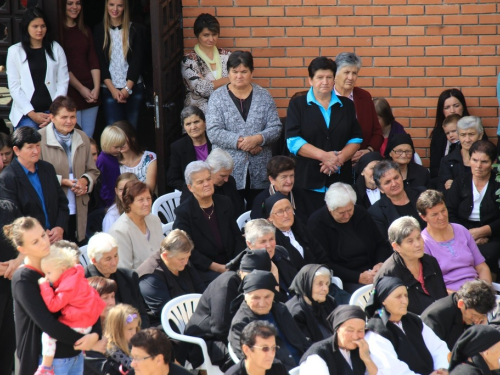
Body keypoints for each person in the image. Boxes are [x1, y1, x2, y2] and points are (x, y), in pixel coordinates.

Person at [5, 217, 99, 375]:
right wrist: (85, 340)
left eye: (43, 235)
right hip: (45, 362)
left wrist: (95, 334)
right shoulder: (23, 279)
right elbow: (48, 324)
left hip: (75, 355)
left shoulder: (59, 260)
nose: (43, 242)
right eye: (35, 242)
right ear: (23, 249)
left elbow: (87, 297)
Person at [206, 50, 282, 209]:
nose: (239, 76)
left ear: (252, 73)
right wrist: (243, 143)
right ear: (228, 73)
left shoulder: (264, 96)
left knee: (259, 213)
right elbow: (214, 131)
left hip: (260, 168)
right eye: (234, 72)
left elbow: (275, 127)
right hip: (227, 172)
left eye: (244, 72)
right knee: (230, 214)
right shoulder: (217, 97)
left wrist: (258, 139)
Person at [285, 56, 363, 211]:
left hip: (340, 179)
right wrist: (324, 157)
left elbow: (356, 138)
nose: (325, 82)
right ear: (310, 80)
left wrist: (338, 160)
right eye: (320, 77)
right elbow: (293, 141)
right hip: (308, 182)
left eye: (329, 77)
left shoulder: (346, 105)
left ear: (334, 79)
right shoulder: (298, 105)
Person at [184, 250, 272, 371]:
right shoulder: (227, 285)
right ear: (241, 272)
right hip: (207, 342)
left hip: (235, 332)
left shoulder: (260, 286)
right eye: (251, 275)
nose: (254, 281)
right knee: (250, 359)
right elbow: (220, 329)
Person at [308, 183, 391, 293]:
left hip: (373, 270)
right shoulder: (317, 223)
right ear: (329, 208)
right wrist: (358, 277)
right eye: (341, 213)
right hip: (346, 279)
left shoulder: (360, 213)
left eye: (350, 210)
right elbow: (325, 263)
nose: (347, 216)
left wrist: (379, 263)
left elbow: (381, 244)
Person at [173, 161, 246, 285]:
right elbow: (189, 252)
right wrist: (219, 268)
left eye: (208, 179)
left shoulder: (224, 202)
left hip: (231, 262)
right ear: (190, 188)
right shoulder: (184, 212)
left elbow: (236, 236)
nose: (206, 184)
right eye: (200, 182)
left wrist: (237, 262)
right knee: (229, 283)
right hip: (204, 269)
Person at [36, 245, 106, 375]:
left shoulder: (68, 285)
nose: (47, 277)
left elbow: (53, 305)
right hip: (87, 325)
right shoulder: (79, 277)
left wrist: (44, 286)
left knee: (48, 336)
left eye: (49, 273)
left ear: (62, 268)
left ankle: (45, 367)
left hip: (77, 326)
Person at [39, 96, 100, 243]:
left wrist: (84, 181)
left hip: (78, 201)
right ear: (52, 118)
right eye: (64, 117)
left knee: (75, 244)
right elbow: (36, 174)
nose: (69, 121)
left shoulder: (83, 137)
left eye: (73, 116)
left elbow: (93, 171)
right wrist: (63, 181)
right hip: (52, 204)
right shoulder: (39, 139)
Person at [364, 276, 450, 375]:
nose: (404, 301)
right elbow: (391, 370)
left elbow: (438, 348)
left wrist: (442, 369)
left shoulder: (412, 320)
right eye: (398, 296)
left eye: (406, 295)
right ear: (383, 300)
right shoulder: (376, 332)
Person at [229, 270, 310, 370]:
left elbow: (302, 341)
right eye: (256, 298)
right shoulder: (240, 324)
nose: (262, 303)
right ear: (245, 297)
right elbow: (252, 362)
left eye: (267, 297)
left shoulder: (281, 309)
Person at [0, 127, 69, 243]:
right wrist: (39, 233)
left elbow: (62, 202)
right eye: (30, 147)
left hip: (56, 239)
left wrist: (60, 227)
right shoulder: (7, 178)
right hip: (30, 244)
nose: (36, 151)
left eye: (37, 145)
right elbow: (13, 218)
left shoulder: (47, 168)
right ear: (16, 150)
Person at [7, 7, 68, 130]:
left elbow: (63, 81)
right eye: (35, 26)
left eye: (43, 26)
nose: (39, 30)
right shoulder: (15, 51)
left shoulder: (56, 48)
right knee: (29, 145)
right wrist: (32, 114)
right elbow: (14, 87)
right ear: (26, 27)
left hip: (52, 113)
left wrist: (54, 112)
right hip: (26, 114)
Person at [419, 189, 492, 291]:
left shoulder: (461, 230)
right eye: (435, 214)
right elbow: (433, 285)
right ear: (423, 217)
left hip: (477, 290)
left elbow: (482, 267)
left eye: (443, 210)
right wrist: (459, 299)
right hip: (451, 297)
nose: (442, 217)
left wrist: (485, 291)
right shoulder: (423, 242)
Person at [375, 216, 448, 315]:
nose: (418, 244)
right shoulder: (388, 274)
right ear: (396, 246)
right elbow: (380, 312)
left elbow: (443, 297)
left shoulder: (430, 262)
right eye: (410, 241)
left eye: (419, 238)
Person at [446, 140, 500, 273]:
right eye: (474, 160)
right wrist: (467, 235)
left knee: (487, 254)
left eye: (484, 162)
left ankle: (488, 288)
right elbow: (449, 212)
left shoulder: (498, 183)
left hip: (492, 232)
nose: (478, 166)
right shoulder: (460, 181)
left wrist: (483, 232)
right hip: (461, 230)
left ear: (493, 162)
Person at [136, 229, 205, 326]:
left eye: (187, 257)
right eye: (181, 259)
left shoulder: (184, 263)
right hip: (165, 325)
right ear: (165, 255)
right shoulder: (150, 277)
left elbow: (201, 290)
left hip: (191, 316)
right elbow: (167, 314)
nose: (186, 262)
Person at [94, 0, 145, 129]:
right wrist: (113, 90)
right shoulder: (99, 30)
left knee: (131, 131)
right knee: (114, 132)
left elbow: (137, 61)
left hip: (133, 87)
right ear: (106, 6)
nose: (115, 9)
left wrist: (127, 89)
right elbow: (100, 62)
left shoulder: (135, 29)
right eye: (111, 5)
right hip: (109, 88)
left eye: (119, 5)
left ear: (124, 7)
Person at [85, 232, 150, 327]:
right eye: (108, 259)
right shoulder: (82, 283)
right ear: (94, 260)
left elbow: (142, 314)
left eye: (116, 256)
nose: (114, 262)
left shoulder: (129, 277)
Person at [60, 0, 100, 138]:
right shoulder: (59, 32)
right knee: (74, 137)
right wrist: (81, 89)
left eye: (78, 3)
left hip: (90, 91)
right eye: (70, 3)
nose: (74, 7)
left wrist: (96, 88)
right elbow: (63, 66)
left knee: (88, 137)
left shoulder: (85, 29)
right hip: (71, 90)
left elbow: (93, 60)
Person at [334, 52, 383, 164]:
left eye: (354, 73)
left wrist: (368, 150)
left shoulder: (364, 97)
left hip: (361, 163)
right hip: (333, 162)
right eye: (346, 72)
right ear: (335, 74)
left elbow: (377, 132)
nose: (351, 78)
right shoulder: (326, 97)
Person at [299, 305, 378, 375]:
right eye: (350, 330)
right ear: (337, 329)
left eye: (360, 330)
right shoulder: (318, 356)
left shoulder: (360, 349)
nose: (355, 336)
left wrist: (367, 359)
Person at [263, 193, 331, 273]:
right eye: (280, 212)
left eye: (288, 209)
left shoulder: (301, 229)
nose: (286, 215)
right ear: (270, 218)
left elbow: (321, 255)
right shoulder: (271, 239)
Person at [422, 280, 496, 351]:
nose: (477, 320)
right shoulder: (436, 317)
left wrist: (482, 328)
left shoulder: (465, 314)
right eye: (474, 315)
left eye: (481, 316)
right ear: (461, 304)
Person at [181, 14, 231, 113]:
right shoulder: (189, 60)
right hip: (198, 115)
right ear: (197, 35)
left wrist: (208, 83)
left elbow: (239, 82)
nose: (211, 39)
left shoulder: (227, 55)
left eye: (214, 34)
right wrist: (228, 79)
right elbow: (201, 88)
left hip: (226, 111)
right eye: (206, 35)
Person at [109, 180, 164, 270]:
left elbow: (163, 253)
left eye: (148, 198)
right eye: (141, 200)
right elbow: (125, 272)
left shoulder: (155, 220)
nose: (146, 203)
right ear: (128, 203)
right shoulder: (119, 231)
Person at [180, 149, 244, 221]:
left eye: (228, 175)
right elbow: (188, 215)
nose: (226, 179)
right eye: (223, 176)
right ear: (210, 170)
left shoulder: (229, 181)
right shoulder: (194, 186)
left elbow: (238, 209)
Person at [368, 160, 426, 239]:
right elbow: (384, 243)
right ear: (380, 189)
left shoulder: (421, 193)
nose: (394, 184)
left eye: (396, 178)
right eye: (387, 182)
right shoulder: (376, 212)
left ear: (402, 177)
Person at [244, 219, 300, 299]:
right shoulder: (248, 269)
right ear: (249, 244)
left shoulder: (281, 252)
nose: (269, 245)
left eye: (271, 239)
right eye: (263, 241)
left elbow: (296, 283)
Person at [251, 156, 312, 224]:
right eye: (284, 177)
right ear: (272, 179)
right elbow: (259, 229)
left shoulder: (300, 194)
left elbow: (310, 222)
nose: (289, 181)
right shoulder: (261, 200)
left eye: (291, 176)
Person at [286, 265, 337, 343]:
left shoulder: (329, 301)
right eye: (320, 284)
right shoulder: (295, 311)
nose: (326, 289)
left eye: (327, 284)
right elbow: (305, 344)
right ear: (307, 284)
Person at [167, 105, 213, 191]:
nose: (193, 127)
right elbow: (173, 179)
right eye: (188, 124)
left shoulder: (214, 141)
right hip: (192, 194)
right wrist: (194, 188)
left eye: (196, 122)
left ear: (205, 122)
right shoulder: (178, 147)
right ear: (184, 127)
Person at [430, 89, 472, 178]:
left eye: (456, 106)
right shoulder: (438, 133)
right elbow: (434, 166)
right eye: (447, 107)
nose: (452, 110)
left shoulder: (474, 128)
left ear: (463, 107)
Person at [225, 321, 289, 375]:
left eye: (274, 348)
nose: (271, 354)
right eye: (265, 348)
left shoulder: (278, 367)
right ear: (246, 350)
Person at [440, 116, 483, 191]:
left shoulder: (490, 159)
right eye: (463, 135)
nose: (467, 140)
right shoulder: (447, 161)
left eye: (471, 134)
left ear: (480, 135)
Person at [115, 121, 157, 192]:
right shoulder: (112, 160)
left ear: (132, 138)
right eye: (116, 139)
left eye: (123, 138)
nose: (120, 143)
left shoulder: (149, 157)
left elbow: (149, 190)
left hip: (144, 201)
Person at [104, 304, 141, 374]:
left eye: (135, 328)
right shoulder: (112, 348)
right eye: (130, 329)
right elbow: (130, 365)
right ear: (117, 330)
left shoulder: (131, 340)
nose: (134, 332)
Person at [97, 125, 127, 207]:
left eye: (121, 147)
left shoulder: (114, 156)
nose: (119, 150)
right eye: (116, 147)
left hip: (117, 197)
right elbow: (102, 184)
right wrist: (109, 200)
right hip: (109, 201)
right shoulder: (102, 160)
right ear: (106, 144)